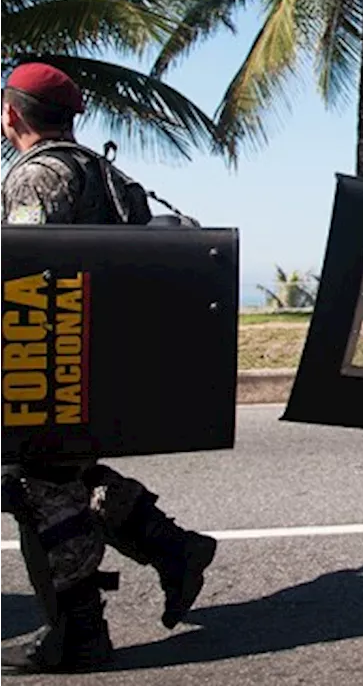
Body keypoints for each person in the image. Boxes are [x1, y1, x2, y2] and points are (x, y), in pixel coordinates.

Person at [0, 62, 217, 673]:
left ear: (12, 114)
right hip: (96, 360)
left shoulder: (37, 178)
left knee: (33, 480)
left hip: (47, 361)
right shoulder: (102, 170)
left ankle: (82, 632)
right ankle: (172, 548)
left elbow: (22, 274)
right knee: (58, 476)